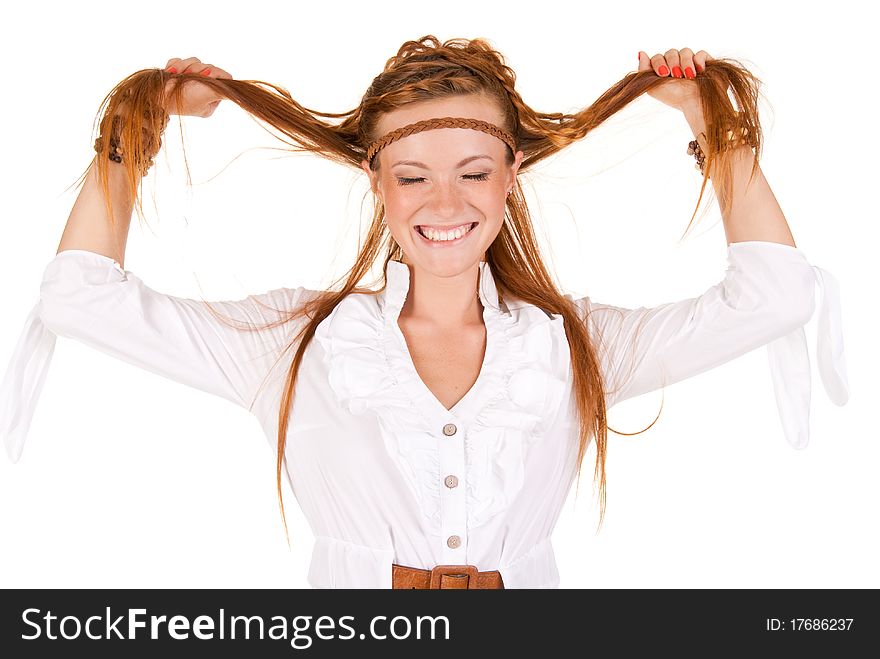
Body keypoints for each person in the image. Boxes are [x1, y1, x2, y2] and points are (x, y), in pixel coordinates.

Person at [0, 36, 848, 589]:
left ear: (512, 176)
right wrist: (135, 129)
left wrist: (714, 124)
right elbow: (80, 299)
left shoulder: (573, 346)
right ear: (376, 182)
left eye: (474, 171)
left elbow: (774, 296)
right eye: (413, 176)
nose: (445, 200)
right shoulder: (295, 344)